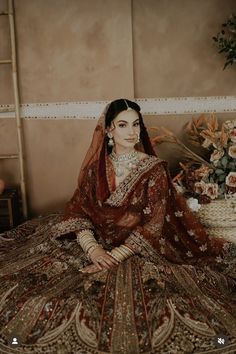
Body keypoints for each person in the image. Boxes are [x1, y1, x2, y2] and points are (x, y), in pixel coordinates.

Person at [0, 98, 236, 354]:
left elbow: (153, 226)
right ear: (109, 130)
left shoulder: (153, 169)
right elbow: (79, 211)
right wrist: (93, 250)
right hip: (97, 240)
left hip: (140, 246)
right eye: (122, 125)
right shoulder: (96, 170)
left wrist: (111, 256)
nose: (131, 131)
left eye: (136, 124)